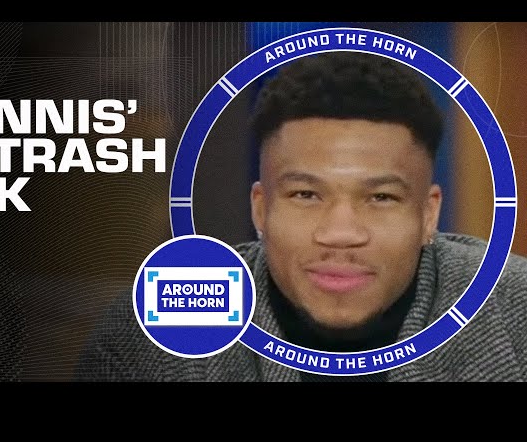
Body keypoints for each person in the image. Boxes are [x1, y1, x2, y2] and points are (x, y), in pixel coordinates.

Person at [75, 51, 527, 382]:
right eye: (306, 194)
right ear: (261, 208)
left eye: (381, 197)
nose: (341, 233)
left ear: (429, 216)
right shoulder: (159, 329)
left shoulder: (514, 312)